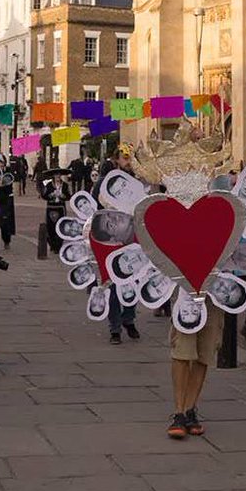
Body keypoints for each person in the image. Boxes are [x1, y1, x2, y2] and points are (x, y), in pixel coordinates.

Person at [93, 145, 140, 345]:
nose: (128, 162)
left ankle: (129, 318)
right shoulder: (104, 182)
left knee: (133, 280)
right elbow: (95, 208)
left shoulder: (138, 182)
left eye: (131, 158)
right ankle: (115, 327)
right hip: (110, 239)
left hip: (132, 238)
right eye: (125, 158)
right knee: (112, 282)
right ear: (116, 159)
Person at [168, 294, 224, 439]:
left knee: (205, 351)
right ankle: (179, 413)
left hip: (213, 294)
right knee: (182, 349)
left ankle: (190, 409)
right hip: (186, 291)